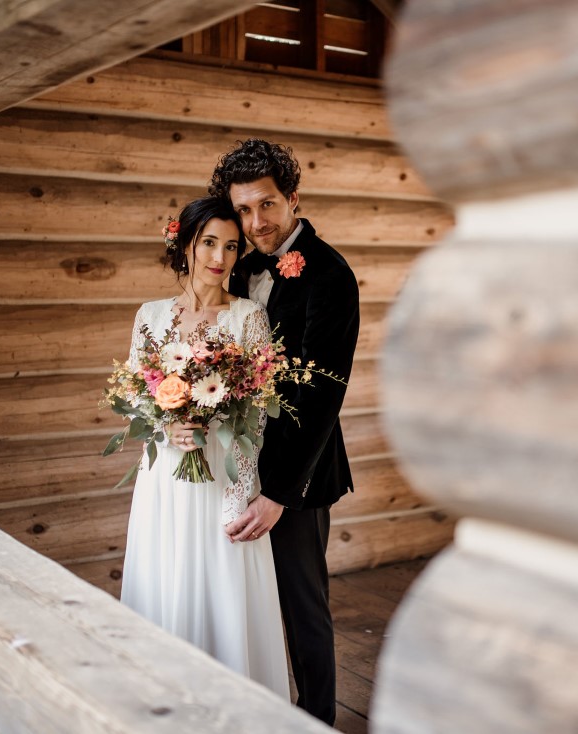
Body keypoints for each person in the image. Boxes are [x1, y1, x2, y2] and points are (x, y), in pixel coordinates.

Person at [208, 138, 360, 725]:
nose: (255, 222)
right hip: (236, 462)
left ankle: (318, 718)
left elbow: (323, 393)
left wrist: (278, 493)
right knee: (243, 596)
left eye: (266, 206)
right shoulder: (241, 269)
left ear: (293, 198)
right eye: (243, 210)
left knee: (302, 605)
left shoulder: (331, 275)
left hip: (300, 470)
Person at [120, 195, 289, 698]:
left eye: (232, 247)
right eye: (209, 243)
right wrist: (162, 428)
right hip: (166, 480)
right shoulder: (150, 315)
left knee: (223, 590)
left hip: (223, 476)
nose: (220, 257)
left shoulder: (249, 318)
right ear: (187, 244)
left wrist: (238, 494)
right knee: (167, 584)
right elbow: (132, 397)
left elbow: (257, 416)